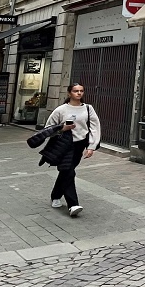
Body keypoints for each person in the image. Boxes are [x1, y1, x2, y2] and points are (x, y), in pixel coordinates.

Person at [43, 83, 101, 217]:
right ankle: (73, 204)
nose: (79, 93)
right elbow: (48, 128)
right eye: (76, 91)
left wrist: (91, 146)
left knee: (66, 171)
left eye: (81, 91)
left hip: (79, 145)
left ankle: (55, 195)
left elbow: (95, 127)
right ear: (69, 93)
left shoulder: (88, 109)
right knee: (68, 172)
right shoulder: (61, 110)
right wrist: (62, 129)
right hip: (63, 144)